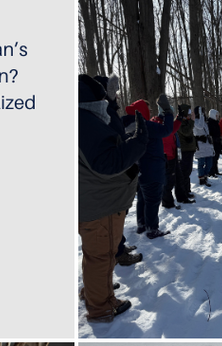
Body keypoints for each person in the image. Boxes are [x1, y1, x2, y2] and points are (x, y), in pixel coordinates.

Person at [79, 73, 147, 323]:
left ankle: (94, 292)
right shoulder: (84, 122)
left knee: (96, 254)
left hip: (95, 200)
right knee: (101, 256)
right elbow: (107, 162)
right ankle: (102, 306)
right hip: (100, 204)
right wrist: (139, 142)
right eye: (107, 93)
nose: (113, 98)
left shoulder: (83, 120)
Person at [125, 95, 175, 239]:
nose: (151, 111)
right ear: (141, 111)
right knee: (153, 200)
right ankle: (152, 229)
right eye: (148, 108)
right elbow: (167, 130)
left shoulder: (130, 126)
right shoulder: (145, 125)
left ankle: (142, 224)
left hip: (140, 170)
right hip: (152, 169)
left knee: (142, 197)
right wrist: (168, 111)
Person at [176, 104, 198, 204]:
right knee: (184, 172)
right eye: (189, 113)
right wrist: (192, 121)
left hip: (189, 149)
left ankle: (187, 190)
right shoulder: (179, 121)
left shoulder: (186, 120)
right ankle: (183, 193)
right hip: (184, 150)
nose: (190, 115)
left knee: (187, 172)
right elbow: (186, 131)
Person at [193, 106, 214, 187]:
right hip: (200, 145)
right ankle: (201, 179)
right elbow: (200, 126)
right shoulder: (195, 121)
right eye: (202, 111)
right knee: (201, 163)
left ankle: (205, 176)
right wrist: (201, 115)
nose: (203, 113)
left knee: (209, 163)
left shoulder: (204, 121)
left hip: (207, 144)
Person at [207, 109, 222, 177]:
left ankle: (216, 171)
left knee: (216, 158)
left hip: (217, 143)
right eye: (216, 116)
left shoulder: (216, 123)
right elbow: (209, 134)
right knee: (212, 158)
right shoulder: (209, 123)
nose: (217, 117)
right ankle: (211, 172)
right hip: (212, 143)